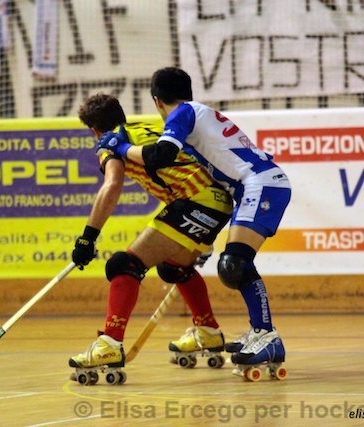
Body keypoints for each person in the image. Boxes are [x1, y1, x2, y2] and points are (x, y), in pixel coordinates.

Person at [95, 67, 291, 370]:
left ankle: (266, 336)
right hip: (252, 186)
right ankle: (260, 333)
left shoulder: (182, 114)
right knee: (233, 264)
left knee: (235, 264)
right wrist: (202, 237)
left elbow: (160, 157)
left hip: (259, 183)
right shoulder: (197, 114)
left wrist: (118, 146)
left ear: (157, 101)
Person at [69, 93, 234, 382]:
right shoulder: (147, 129)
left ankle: (109, 345)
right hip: (218, 202)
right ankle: (208, 331)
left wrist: (87, 237)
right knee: (174, 267)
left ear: (94, 130)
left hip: (195, 202)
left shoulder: (110, 142)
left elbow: (112, 186)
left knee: (123, 265)